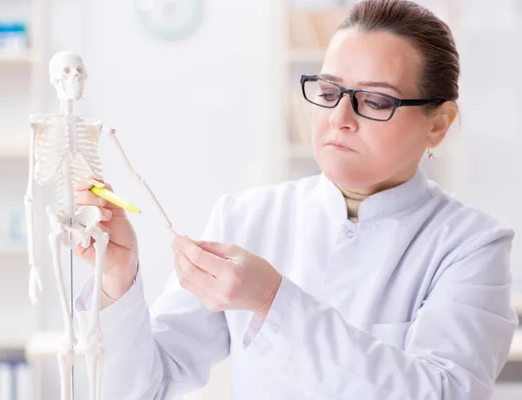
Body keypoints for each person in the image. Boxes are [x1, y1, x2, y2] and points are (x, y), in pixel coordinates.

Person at [72, 0, 519, 398]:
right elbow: (141, 387)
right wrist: (117, 281)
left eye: (376, 100)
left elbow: (443, 392)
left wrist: (271, 299)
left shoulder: (471, 245)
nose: (339, 118)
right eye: (328, 93)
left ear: (438, 124)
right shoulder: (247, 218)